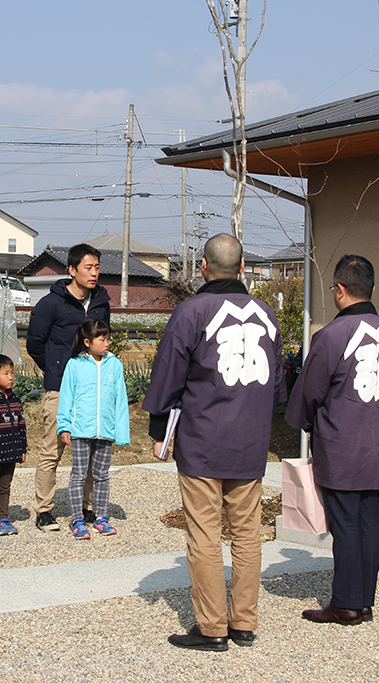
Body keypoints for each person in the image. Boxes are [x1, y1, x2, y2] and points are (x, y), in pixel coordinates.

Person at [142, 233, 284, 652]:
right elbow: (277, 390)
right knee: (247, 533)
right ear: (242, 268)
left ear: (203, 266)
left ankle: (212, 627)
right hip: (251, 441)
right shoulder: (267, 315)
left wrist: (157, 430)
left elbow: (167, 377)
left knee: (203, 534)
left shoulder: (191, 312)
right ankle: (244, 622)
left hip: (203, 439)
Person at [286, 255, 379, 625]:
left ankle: (348, 602)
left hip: (342, 436)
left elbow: (310, 393)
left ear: (339, 290)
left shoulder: (333, 335)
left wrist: (304, 424)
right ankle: (363, 598)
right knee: (369, 515)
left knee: (346, 521)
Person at [26, 243, 110, 532]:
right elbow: (35, 344)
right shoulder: (51, 304)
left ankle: (87, 508)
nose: (94, 273)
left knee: (90, 449)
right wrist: (54, 369)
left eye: (97, 267)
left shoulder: (101, 302)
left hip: (91, 389)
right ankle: (44, 509)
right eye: (88, 267)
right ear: (72, 270)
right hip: (59, 388)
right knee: (52, 450)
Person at [57, 319, 130, 539]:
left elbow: (121, 399)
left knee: (102, 476)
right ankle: (77, 520)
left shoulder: (115, 365)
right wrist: (64, 426)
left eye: (108, 338)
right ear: (87, 342)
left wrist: (121, 432)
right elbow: (66, 397)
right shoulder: (74, 365)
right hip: (80, 431)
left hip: (104, 432)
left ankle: (101, 518)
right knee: (78, 476)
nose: (107, 343)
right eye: (102, 339)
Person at [0, 354, 27, 536]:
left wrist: (23, 448)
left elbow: (21, 426)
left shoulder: (15, 399)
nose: (11, 377)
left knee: (5, 486)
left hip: (12, 451)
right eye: (6, 373)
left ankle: (3, 516)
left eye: (12, 373)